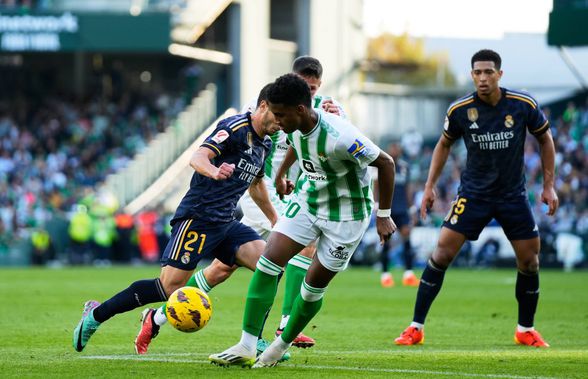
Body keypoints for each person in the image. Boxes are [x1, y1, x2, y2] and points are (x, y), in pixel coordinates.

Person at [134, 56, 345, 355]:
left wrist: (335, 119)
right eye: (301, 85)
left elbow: (339, 143)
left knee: (223, 268)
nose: (306, 93)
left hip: (293, 192)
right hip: (262, 188)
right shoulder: (269, 104)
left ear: (318, 86)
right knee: (304, 244)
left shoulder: (326, 109)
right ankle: (286, 324)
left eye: (311, 88)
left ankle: (156, 317)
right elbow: (248, 139)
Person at [72, 85, 281, 353]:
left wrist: (275, 219)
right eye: (277, 115)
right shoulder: (235, 127)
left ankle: (253, 340)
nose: (280, 123)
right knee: (168, 287)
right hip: (198, 218)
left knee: (271, 266)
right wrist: (214, 171)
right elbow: (198, 157)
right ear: (263, 106)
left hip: (227, 223)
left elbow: (256, 184)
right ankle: (96, 315)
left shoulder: (265, 143)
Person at [209, 73, 397, 367]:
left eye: (281, 115)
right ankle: (246, 345)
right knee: (269, 261)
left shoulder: (341, 136)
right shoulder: (293, 125)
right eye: (274, 113)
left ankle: (279, 345)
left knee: (311, 290)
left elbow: (386, 163)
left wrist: (383, 215)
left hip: (346, 217)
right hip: (308, 202)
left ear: (301, 109)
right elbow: (297, 144)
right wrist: (282, 173)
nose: (277, 121)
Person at [394, 49, 558, 348]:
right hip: (473, 195)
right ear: (472, 75)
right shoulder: (460, 109)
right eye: (478, 73)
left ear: (499, 74)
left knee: (530, 261)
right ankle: (415, 327)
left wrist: (549, 186)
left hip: (513, 196)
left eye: (489, 72)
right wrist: (429, 186)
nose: (483, 78)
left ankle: (525, 329)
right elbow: (443, 145)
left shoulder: (522, 104)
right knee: (441, 254)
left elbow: (545, 139)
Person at [379, 142, 418, 287]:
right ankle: (385, 275)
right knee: (386, 241)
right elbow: (377, 186)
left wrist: (412, 208)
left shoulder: (404, 167)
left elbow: (408, 189)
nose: (395, 151)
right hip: (387, 209)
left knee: (407, 238)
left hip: (402, 209)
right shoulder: (382, 163)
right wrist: (377, 205)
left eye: (397, 148)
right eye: (393, 148)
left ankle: (408, 275)